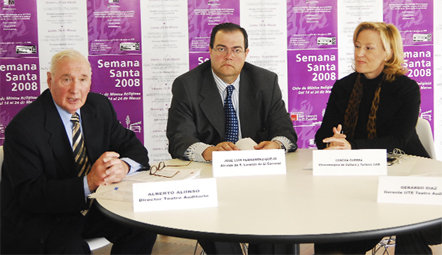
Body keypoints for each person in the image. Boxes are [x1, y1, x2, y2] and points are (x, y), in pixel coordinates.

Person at [1, 49, 157, 254]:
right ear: (50, 80)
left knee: (142, 226)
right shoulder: (24, 128)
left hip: (89, 209)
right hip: (42, 216)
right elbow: (30, 195)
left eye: (82, 79)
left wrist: (124, 166)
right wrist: (89, 182)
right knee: (73, 250)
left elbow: (134, 148)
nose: (75, 90)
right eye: (66, 79)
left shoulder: (98, 107)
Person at [166, 23, 298, 254]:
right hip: (211, 181)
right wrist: (209, 151)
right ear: (209, 51)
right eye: (221, 49)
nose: (229, 56)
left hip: (260, 180)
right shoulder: (186, 85)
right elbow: (179, 139)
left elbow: (286, 133)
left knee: (277, 227)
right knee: (218, 232)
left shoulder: (265, 82)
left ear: (246, 53)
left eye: (236, 50)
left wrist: (275, 145)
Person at [314, 21, 441, 254]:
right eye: (357, 46)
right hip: (358, 177)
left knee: (407, 226)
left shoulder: (407, 88)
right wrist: (333, 140)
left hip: (406, 173)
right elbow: (321, 135)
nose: (359, 53)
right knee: (330, 235)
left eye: (369, 48)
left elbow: (399, 140)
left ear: (388, 52)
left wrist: (352, 147)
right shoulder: (343, 87)